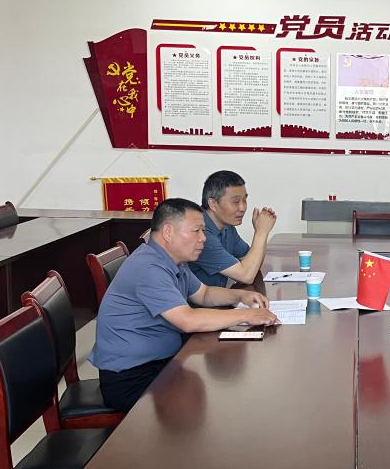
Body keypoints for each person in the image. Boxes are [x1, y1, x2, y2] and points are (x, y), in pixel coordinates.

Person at [91, 198, 279, 412]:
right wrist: (246, 316)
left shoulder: (172, 260)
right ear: (168, 232)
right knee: (222, 397)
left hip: (162, 360)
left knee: (227, 386)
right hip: (133, 377)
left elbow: (204, 294)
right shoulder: (149, 267)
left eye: (203, 231)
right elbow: (187, 320)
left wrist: (240, 296)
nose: (203, 238)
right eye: (196, 231)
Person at [190, 170, 277, 287]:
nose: (242, 208)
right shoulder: (200, 233)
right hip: (195, 299)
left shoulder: (227, 226)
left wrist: (261, 231)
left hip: (219, 295)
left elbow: (252, 265)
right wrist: (261, 232)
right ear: (213, 204)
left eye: (244, 200)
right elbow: (246, 276)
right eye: (235, 201)